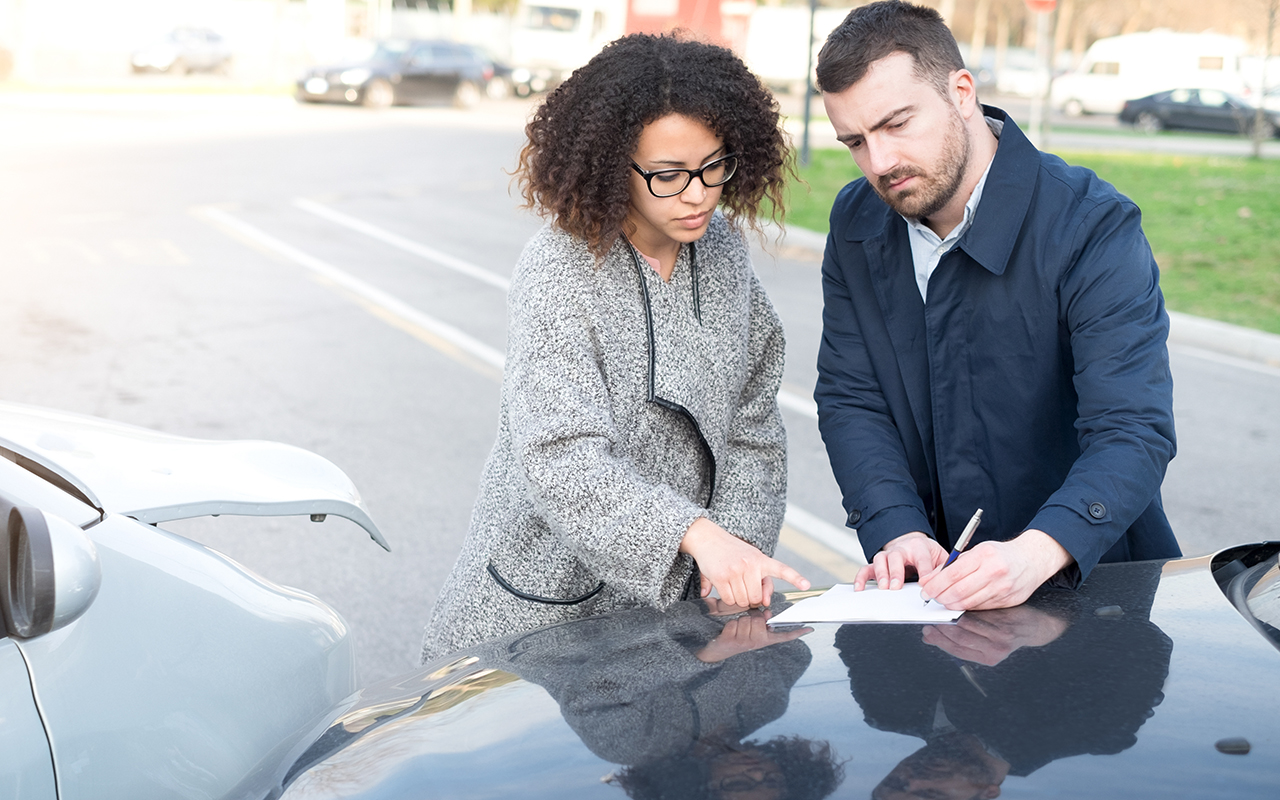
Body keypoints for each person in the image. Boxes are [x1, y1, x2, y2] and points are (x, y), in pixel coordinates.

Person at [421, 32, 809, 662]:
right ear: (609, 164)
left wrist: (732, 555)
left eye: (715, 166)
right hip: (545, 604)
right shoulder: (558, 270)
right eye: (667, 175)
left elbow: (752, 426)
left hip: (686, 607)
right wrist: (694, 533)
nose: (698, 194)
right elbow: (560, 455)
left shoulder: (724, 251)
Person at [812, 0, 1180, 611]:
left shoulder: (1091, 225)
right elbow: (853, 397)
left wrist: (1037, 550)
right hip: (930, 604)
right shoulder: (856, 220)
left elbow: (1132, 429)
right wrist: (895, 525)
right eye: (855, 141)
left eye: (897, 123)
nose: (880, 163)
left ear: (961, 93)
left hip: (1094, 597)